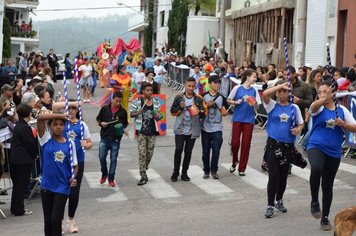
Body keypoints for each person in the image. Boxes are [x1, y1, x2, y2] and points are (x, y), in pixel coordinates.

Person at [307, 81, 356, 230]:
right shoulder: (318, 107)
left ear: (333, 93)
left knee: (328, 186)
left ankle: (325, 218)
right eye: (320, 92)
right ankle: (314, 200)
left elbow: (354, 127)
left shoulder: (342, 110)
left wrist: (343, 125)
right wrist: (324, 98)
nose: (323, 94)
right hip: (316, 146)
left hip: (334, 151)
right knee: (316, 168)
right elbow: (312, 108)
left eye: (325, 91)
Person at [261, 80, 304, 218]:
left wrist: (297, 129)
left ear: (289, 93)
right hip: (274, 145)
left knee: (283, 176)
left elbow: (301, 124)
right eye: (280, 91)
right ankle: (269, 204)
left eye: (285, 91)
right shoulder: (271, 105)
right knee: (273, 175)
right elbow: (265, 94)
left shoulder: (294, 108)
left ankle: (279, 199)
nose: (282, 94)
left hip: (288, 146)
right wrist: (280, 85)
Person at [37, 113, 78, 236]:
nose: (58, 127)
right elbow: (40, 118)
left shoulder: (70, 144)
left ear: (65, 127)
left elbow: (75, 166)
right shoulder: (45, 140)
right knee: (48, 220)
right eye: (55, 124)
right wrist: (62, 116)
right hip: (47, 186)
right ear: (50, 127)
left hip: (62, 186)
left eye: (61, 124)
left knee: (56, 219)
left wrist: (73, 177)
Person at [63, 102, 92, 233]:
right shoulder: (61, 123)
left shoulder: (82, 125)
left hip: (78, 162)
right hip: (62, 162)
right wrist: (71, 102)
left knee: (74, 192)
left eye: (74, 108)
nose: (71, 110)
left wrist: (86, 144)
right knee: (61, 192)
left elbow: (90, 142)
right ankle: (58, 220)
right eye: (69, 108)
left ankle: (71, 219)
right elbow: (54, 108)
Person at [170, 77, 206, 182]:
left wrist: (200, 111)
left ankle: (184, 173)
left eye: (193, 86)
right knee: (178, 150)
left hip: (192, 130)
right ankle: (175, 172)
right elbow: (172, 112)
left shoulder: (199, 99)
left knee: (188, 152)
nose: (191, 88)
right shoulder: (179, 98)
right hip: (180, 129)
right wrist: (180, 108)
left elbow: (204, 113)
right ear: (185, 85)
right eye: (189, 86)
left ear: (195, 87)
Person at [227, 69, 261, 176]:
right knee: (235, 143)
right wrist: (235, 102)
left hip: (249, 120)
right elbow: (228, 100)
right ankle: (234, 161)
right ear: (247, 77)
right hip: (237, 119)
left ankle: (242, 168)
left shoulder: (254, 91)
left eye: (256, 77)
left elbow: (258, 106)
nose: (255, 79)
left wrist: (254, 102)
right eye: (254, 77)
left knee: (246, 144)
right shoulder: (237, 88)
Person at [9, 104, 38, 216]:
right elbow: (29, 143)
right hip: (23, 160)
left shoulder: (18, 126)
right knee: (21, 184)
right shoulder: (25, 127)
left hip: (16, 159)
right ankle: (19, 209)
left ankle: (15, 207)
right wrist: (34, 155)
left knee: (17, 185)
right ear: (29, 114)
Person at [130, 82, 161, 185]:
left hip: (152, 132)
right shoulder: (137, 101)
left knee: (149, 153)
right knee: (142, 153)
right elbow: (131, 114)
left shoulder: (155, 101)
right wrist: (137, 112)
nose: (149, 92)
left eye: (151, 90)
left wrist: (156, 114)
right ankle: (143, 174)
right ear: (143, 91)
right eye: (147, 90)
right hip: (142, 132)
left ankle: (145, 166)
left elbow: (159, 117)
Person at [96, 91, 128, 187]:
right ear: (112, 99)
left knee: (113, 160)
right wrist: (101, 123)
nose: (118, 103)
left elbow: (125, 123)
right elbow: (98, 119)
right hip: (104, 138)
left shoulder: (123, 112)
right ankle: (104, 173)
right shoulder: (105, 109)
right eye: (116, 101)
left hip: (116, 139)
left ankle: (111, 178)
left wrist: (121, 127)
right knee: (101, 157)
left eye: (120, 102)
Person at [201, 75, 228, 179]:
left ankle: (214, 170)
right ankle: (206, 171)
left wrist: (224, 111)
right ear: (210, 83)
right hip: (205, 128)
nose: (217, 85)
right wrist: (207, 105)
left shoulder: (221, 97)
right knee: (206, 151)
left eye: (219, 83)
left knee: (216, 150)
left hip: (217, 127)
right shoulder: (203, 96)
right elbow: (200, 111)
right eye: (215, 82)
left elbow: (225, 112)